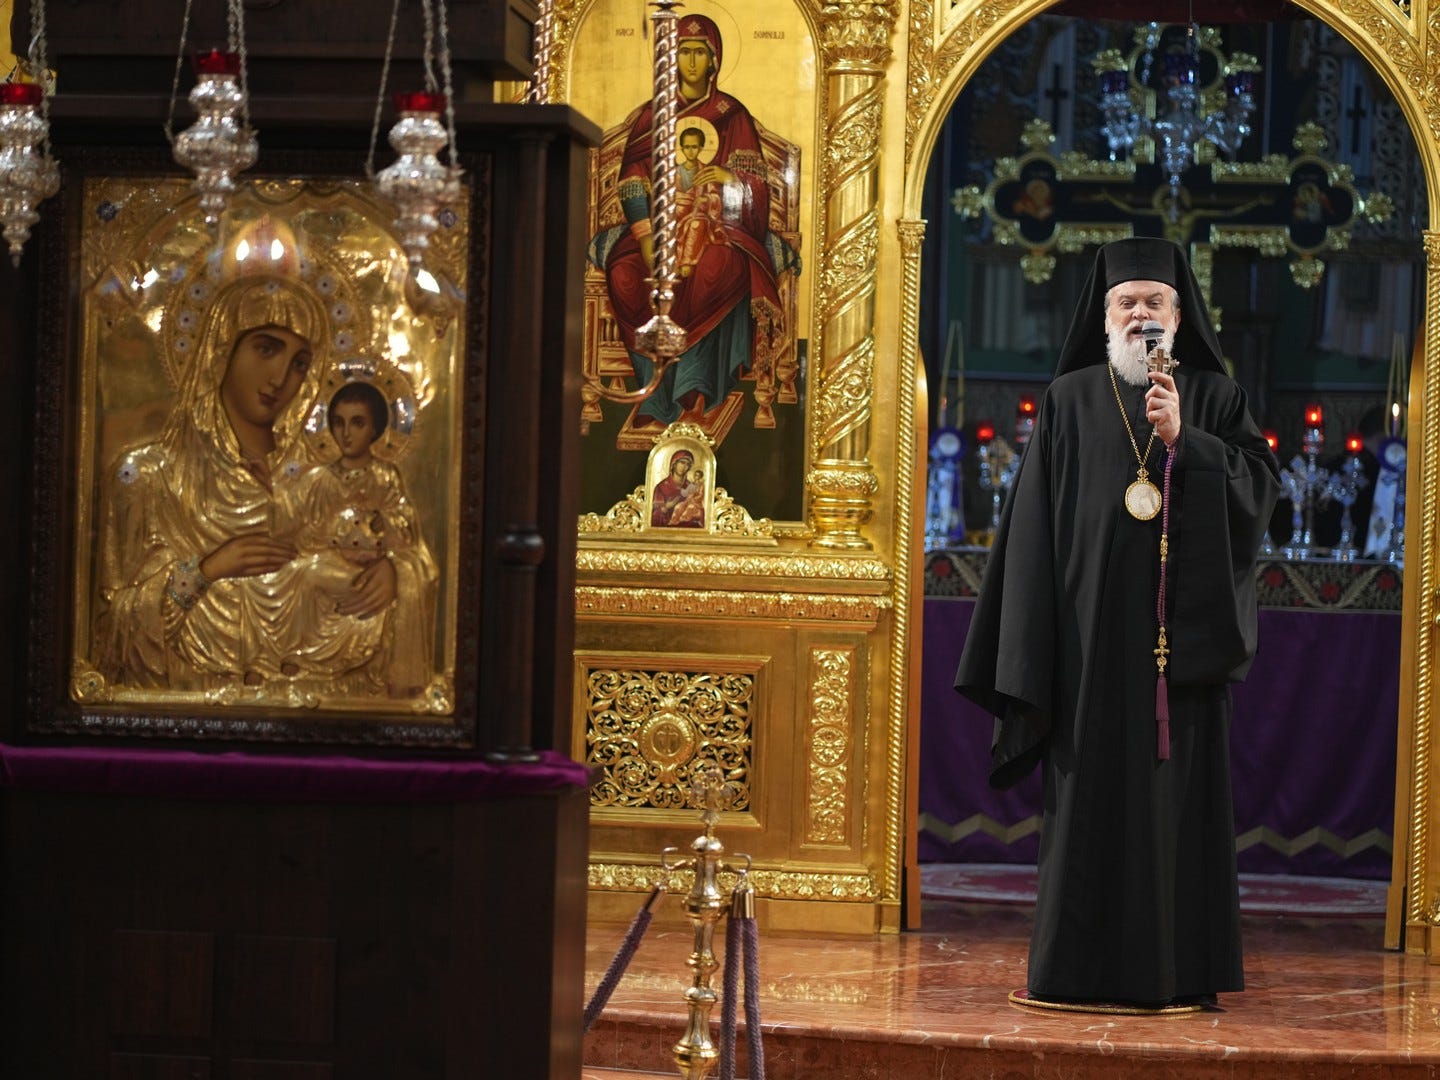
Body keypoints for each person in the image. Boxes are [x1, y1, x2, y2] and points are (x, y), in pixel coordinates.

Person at [954, 237, 1281, 1009]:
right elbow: (1030, 535)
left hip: (1177, 661)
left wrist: (1186, 443)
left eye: (1154, 302)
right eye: (1126, 303)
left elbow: (1260, 497)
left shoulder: (1215, 398)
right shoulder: (1068, 400)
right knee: (1087, 809)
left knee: (1172, 815)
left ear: (1179, 316)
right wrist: (1030, 649)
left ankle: (1174, 975)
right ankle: (1072, 973)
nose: (1141, 315)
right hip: (1086, 650)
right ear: (1105, 318)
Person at [94, 274, 405, 696]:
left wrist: (394, 573)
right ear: (220, 351)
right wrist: (206, 571)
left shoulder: (320, 481)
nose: (281, 377)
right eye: (266, 348)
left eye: (300, 363)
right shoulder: (148, 478)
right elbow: (112, 631)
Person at [587, 13, 789, 428]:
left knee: (713, 269)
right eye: (684, 52)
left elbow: (757, 185)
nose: (692, 61)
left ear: (714, 60)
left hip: (720, 225)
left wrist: (729, 179)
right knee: (625, 272)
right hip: (659, 227)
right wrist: (646, 235)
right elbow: (631, 179)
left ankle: (695, 390)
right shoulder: (652, 116)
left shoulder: (732, 115)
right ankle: (655, 397)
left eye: (700, 52)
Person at [274, 379, 439, 697]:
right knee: (301, 572)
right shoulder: (321, 480)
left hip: (368, 571)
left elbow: (405, 530)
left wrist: (382, 526)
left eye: (357, 423)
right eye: (339, 423)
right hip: (329, 566)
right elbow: (303, 534)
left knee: (321, 576)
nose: (346, 433)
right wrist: (328, 532)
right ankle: (297, 657)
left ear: (375, 428)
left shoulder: (385, 477)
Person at [650, 449, 705, 528]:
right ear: (674, 464)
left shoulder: (691, 486)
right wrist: (666, 507)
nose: (684, 467)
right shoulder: (661, 487)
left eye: (687, 464)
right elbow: (653, 518)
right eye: (682, 463)